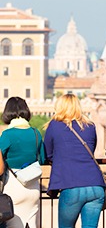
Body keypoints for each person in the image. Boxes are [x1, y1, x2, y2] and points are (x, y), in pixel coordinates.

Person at [44, 94, 105, 228]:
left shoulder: (54, 126)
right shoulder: (90, 126)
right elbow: (91, 149)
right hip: (95, 184)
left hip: (71, 184)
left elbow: (48, 153)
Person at [0, 96, 46, 228]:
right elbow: (42, 159)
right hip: (33, 188)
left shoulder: (7, 135)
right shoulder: (36, 133)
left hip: (13, 188)